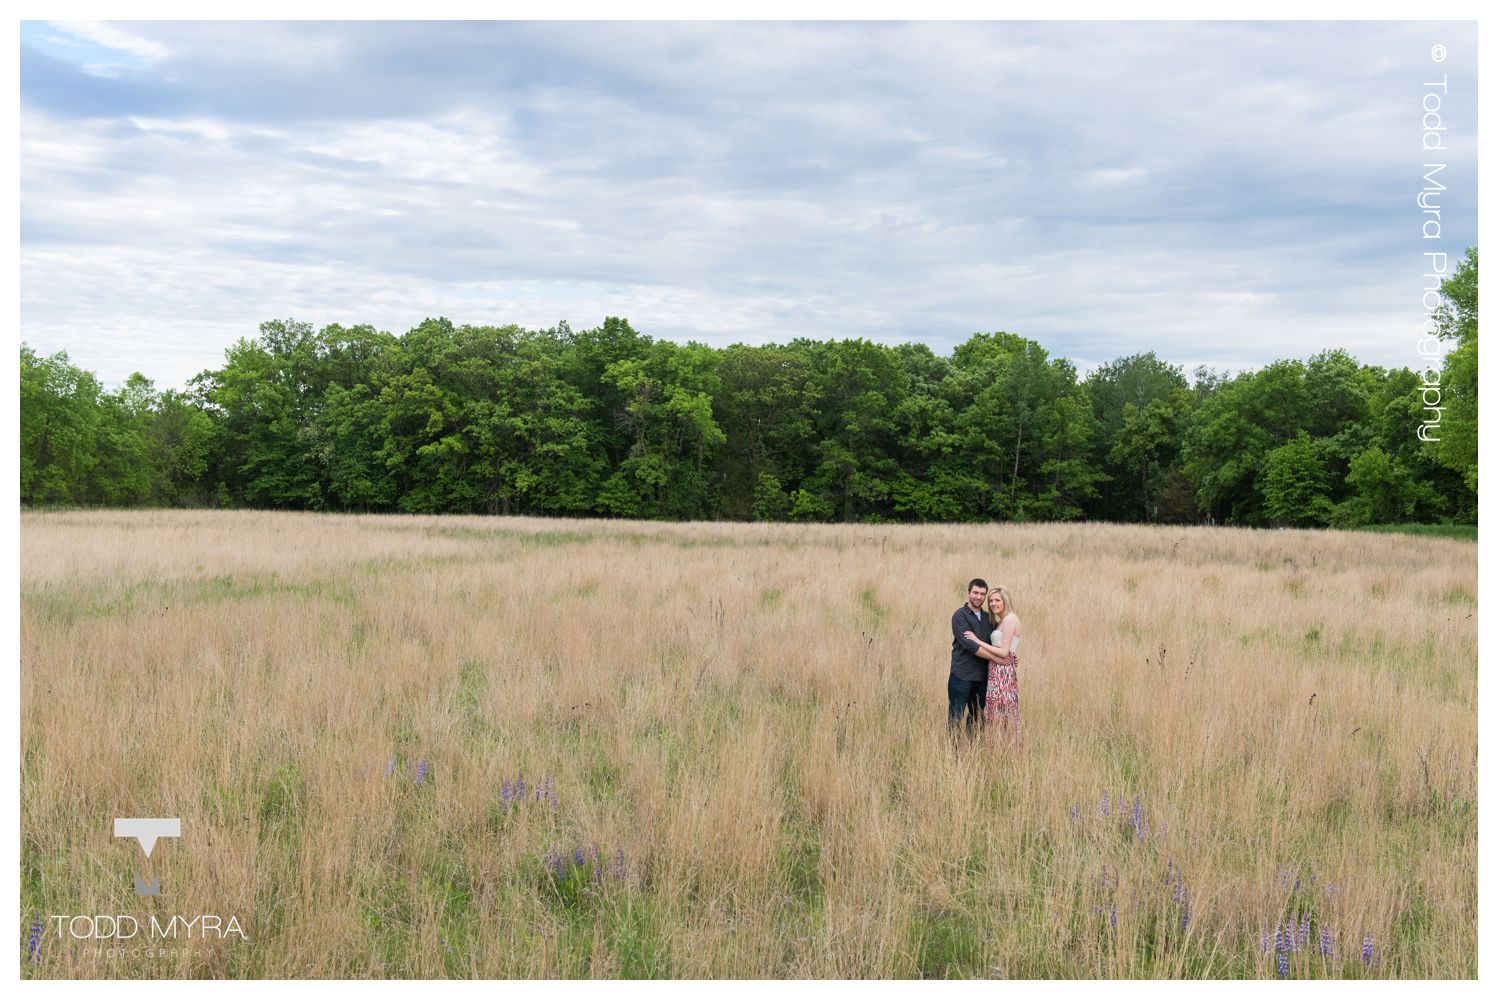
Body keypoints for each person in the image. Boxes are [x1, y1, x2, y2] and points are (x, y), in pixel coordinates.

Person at [965, 586, 1022, 743]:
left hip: (1003, 672)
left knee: (1002, 711)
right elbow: (1009, 647)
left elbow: (1003, 652)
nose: (993, 603)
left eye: (997, 600)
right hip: (997, 670)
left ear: (1005, 600)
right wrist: (1014, 655)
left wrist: (977, 641)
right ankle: (996, 749)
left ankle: (1005, 748)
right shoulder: (1001, 620)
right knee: (996, 712)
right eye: (990, 600)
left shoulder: (1010, 619)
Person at [948, 578, 992, 741]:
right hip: (961, 676)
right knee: (955, 717)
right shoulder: (960, 616)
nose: (978, 597)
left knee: (977, 718)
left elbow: (996, 643)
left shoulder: (989, 618)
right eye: (975, 593)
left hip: (982, 678)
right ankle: (952, 754)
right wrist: (999, 659)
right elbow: (971, 646)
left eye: (982, 594)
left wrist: (1009, 656)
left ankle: (973, 750)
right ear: (968, 593)